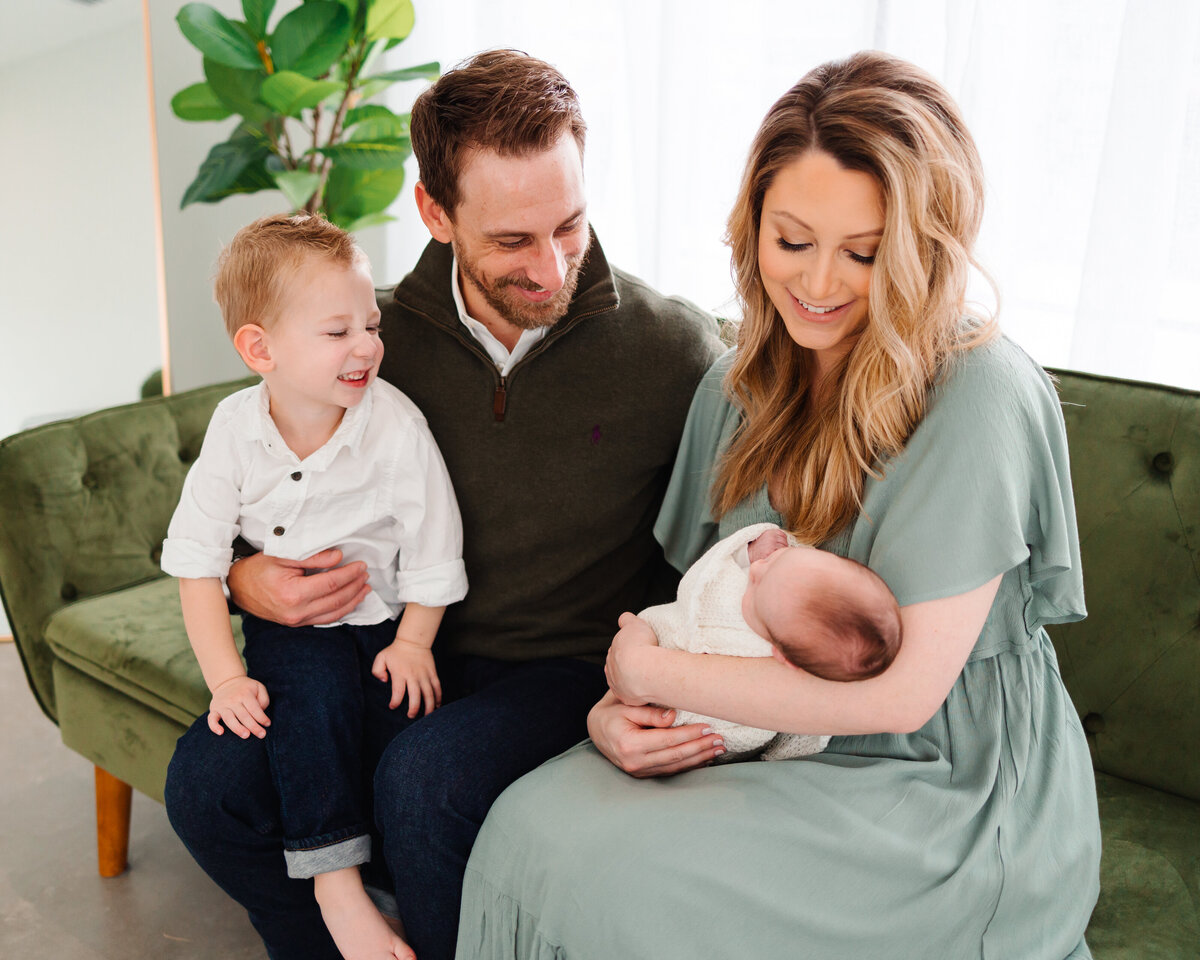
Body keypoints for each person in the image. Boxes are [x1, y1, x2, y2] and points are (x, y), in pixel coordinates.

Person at [457, 51, 1102, 959]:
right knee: (527, 825)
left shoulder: (981, 391)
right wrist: (615, 712)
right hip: (765, 736)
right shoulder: (736, 384)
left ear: (926, 249)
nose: (820, 283)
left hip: (946, 781)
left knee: (626, 882)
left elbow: (905, 696)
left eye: (865, 253)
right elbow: (693, 616)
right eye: (791, 241)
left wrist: (653, 679)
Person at [162, 50, 724, 960]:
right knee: (209, 787)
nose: (550, 268)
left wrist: (655, 676)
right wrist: (246, 579)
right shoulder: (361, 342)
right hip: (388, 647)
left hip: (560, 666)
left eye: (570, 226)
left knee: (426, 784)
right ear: (434, 211)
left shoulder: (677, 354)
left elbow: (718, 558)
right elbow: (239, 507)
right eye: (512, 241)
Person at [161, 214, 468, 960]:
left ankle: (389, 893)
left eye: (371, 323)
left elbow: (435, 542)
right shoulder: (234, 432)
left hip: (383, 625)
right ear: (260, 348)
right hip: (290, 629)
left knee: (403, 736)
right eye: (338, 332)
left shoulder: (395, 426)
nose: (367, 345)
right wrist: (227, 680)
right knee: (309, 702)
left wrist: (415, 642)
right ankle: (336, 886)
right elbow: (196, 563)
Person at [625, 521, 901, 759]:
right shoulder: (792, 606)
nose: (754, 572)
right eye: (774, 562)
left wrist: (746, 553)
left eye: (754, 588)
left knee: (638, 627)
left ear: (784, 657)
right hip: (648, 696)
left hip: (678, 711)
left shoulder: (731, 619)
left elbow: (698, 587)